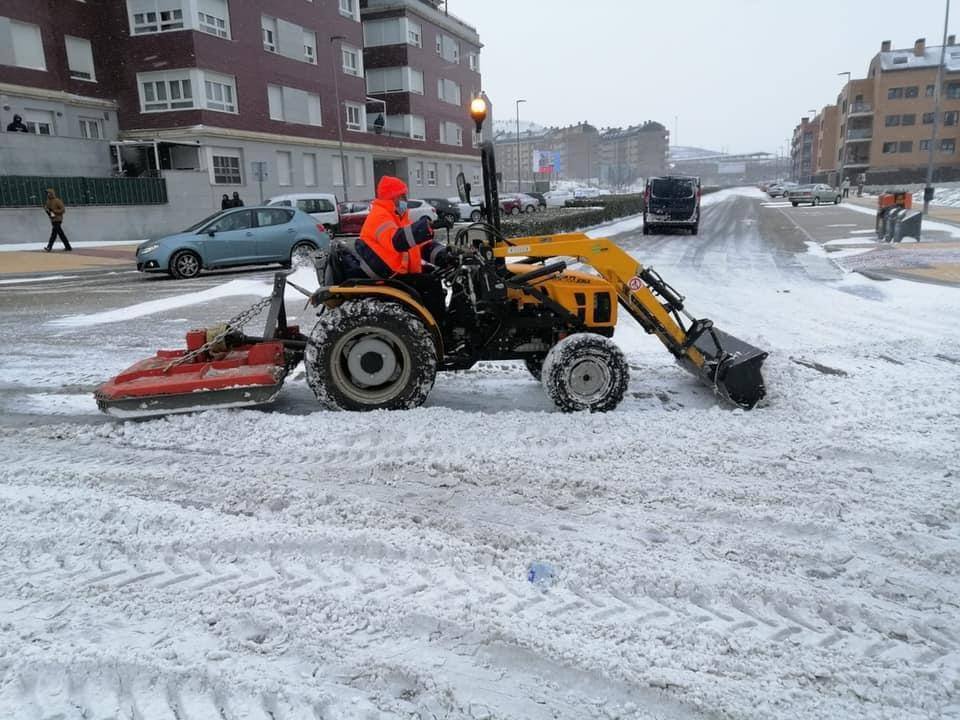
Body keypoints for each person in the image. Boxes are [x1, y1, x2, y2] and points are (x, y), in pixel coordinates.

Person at [348, 176, 454, 318]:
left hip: (396, 273)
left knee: (432, 274)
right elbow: (397, 240)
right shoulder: (380, 216)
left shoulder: (398, 217)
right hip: (388, 277)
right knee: (431, 284)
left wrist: (443, 255)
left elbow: (420, 246)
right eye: (403, 195)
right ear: (393, 197)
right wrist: (424, 227)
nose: (406, 199)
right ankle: (441, 328)